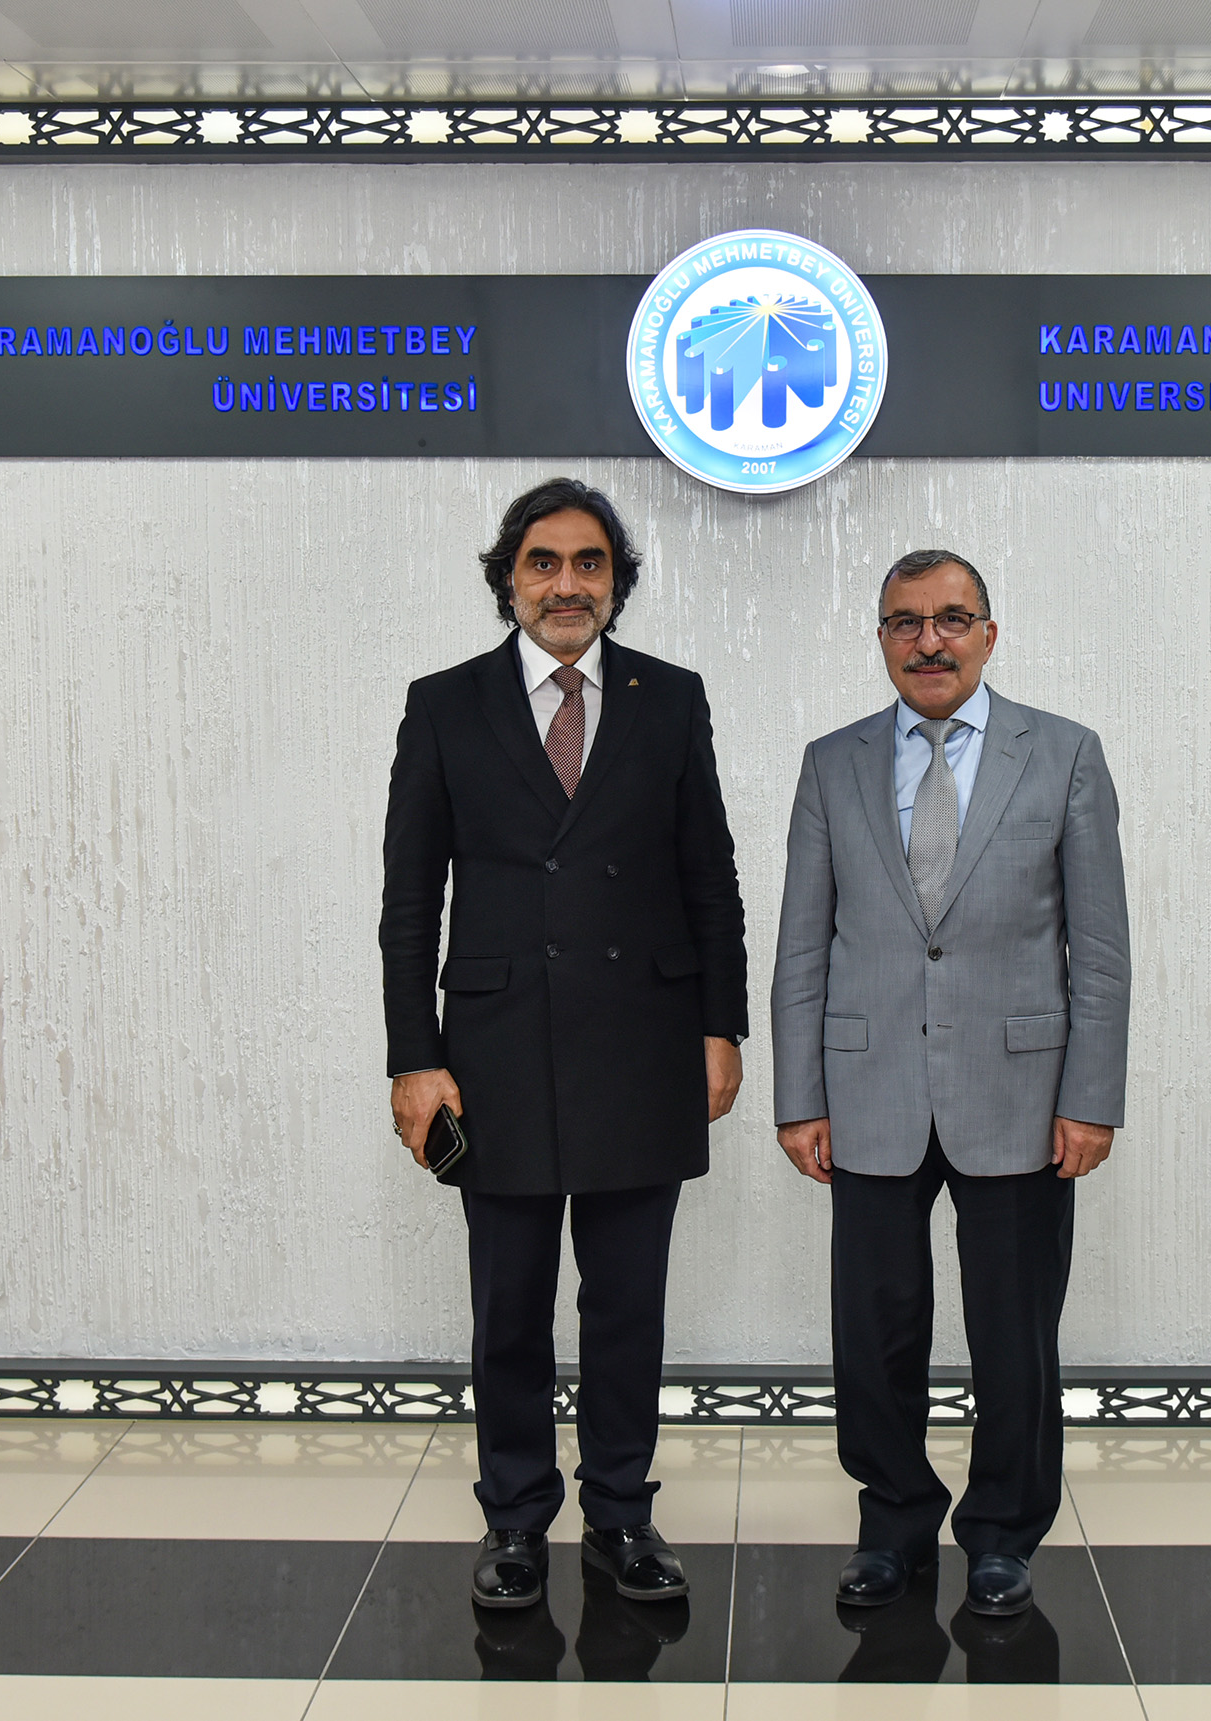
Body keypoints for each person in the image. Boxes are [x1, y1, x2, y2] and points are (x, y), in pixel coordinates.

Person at [381, 477, 749, 1610]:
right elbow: (410, 903)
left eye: (590, 562)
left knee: (628, 1303)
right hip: (494, 1053)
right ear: (508, 580)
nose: (567, 583)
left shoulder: (669, 698)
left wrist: (720, 1025)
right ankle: (515, 1516)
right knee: (510, 1305)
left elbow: (711, 878)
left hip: (645, 1044)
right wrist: (414, 1056)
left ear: (616, 583)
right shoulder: (444, 704)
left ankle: (623, 1510)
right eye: (543, 562)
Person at [770, 548, 1131, 1617]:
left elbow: (1100, 948)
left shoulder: (1063, 754)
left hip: (1021, 1093)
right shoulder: (831, 763)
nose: (929, 640)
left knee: (1014, 1330)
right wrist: (799, 1094)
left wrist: (1090, 1096)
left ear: (988, 633)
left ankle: (1004, 1532)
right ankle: (891, 1521)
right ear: (882, 637)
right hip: (867, 1088)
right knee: (874, 1329)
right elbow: (802, 946)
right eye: (905, 622)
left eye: (952, 619)